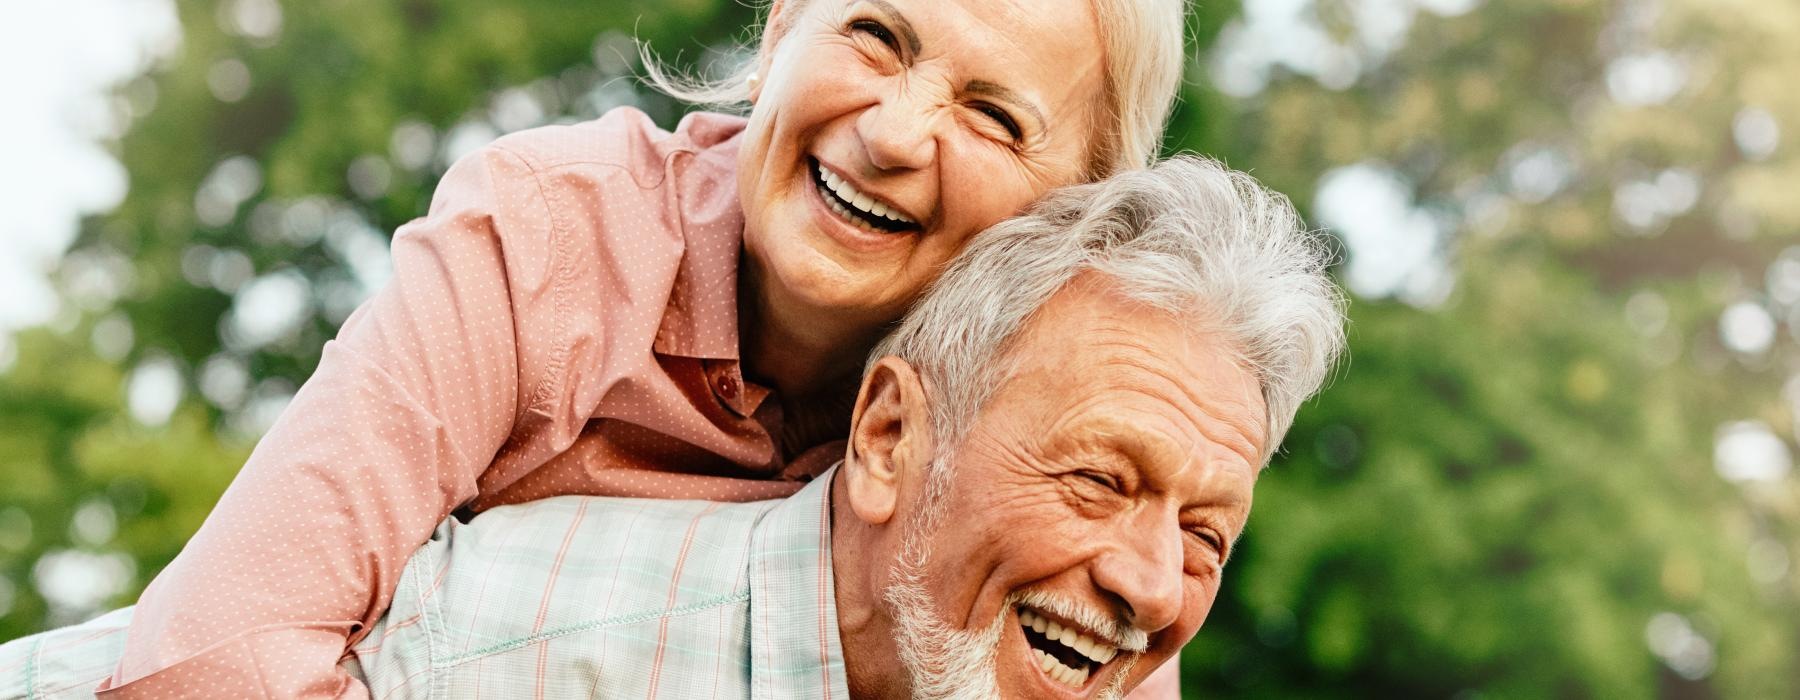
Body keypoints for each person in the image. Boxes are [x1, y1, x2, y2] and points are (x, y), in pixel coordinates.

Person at [86, 0, 1190, 696]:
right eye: (874, 36)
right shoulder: (545, 237)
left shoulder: (1059, 423)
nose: (894, 133)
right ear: (778, 33)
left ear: (1073, 214)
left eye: (993, 115)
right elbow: (215, 660)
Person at [1, 156, 1346, 699]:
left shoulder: (1033, 654)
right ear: (886, 440)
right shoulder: (493, 641)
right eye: (1101, 480)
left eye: (1208, 535)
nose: (1153, 582)